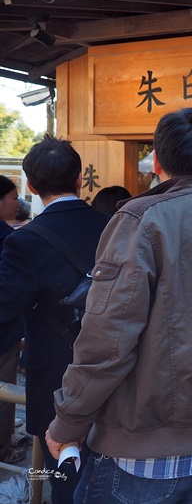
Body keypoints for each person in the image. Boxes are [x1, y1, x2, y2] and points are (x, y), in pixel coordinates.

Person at [45, 108, 192, 503]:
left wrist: (67, 421)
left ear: (158, 162)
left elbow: (107, 341)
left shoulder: (141, 220)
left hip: (144, 451)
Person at [0, 139, 110, 503]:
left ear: (30, 185)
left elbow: (4, 308)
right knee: (109, 475)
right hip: (115, 369)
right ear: (80, 179)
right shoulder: (113, 227)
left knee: (65, 478)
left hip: (56, 380)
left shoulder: (24, 242)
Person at [0, 175, 25, 465]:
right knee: (4, 394)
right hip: (4, 330)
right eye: (12, 196)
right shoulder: (9, 240)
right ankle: (3, 449)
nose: (17, 202)